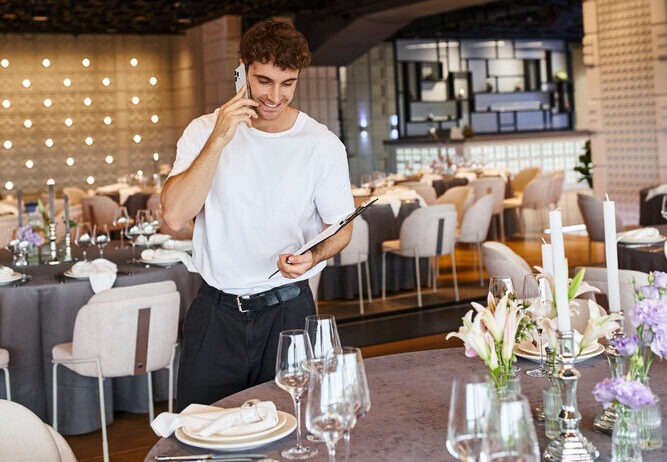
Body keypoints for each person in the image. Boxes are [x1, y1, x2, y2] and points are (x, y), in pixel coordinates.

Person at [161, 18, 354, 411]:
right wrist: (220, 138)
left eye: (287, 83)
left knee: (292, 431)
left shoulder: (322, 145)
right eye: (264, 81)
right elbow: (174, 216)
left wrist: (313, 256)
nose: (274, 96)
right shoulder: (203, 131)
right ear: (241, 70)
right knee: (201, 434)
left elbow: (341, 228)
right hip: (215, 313)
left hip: (289, 311)